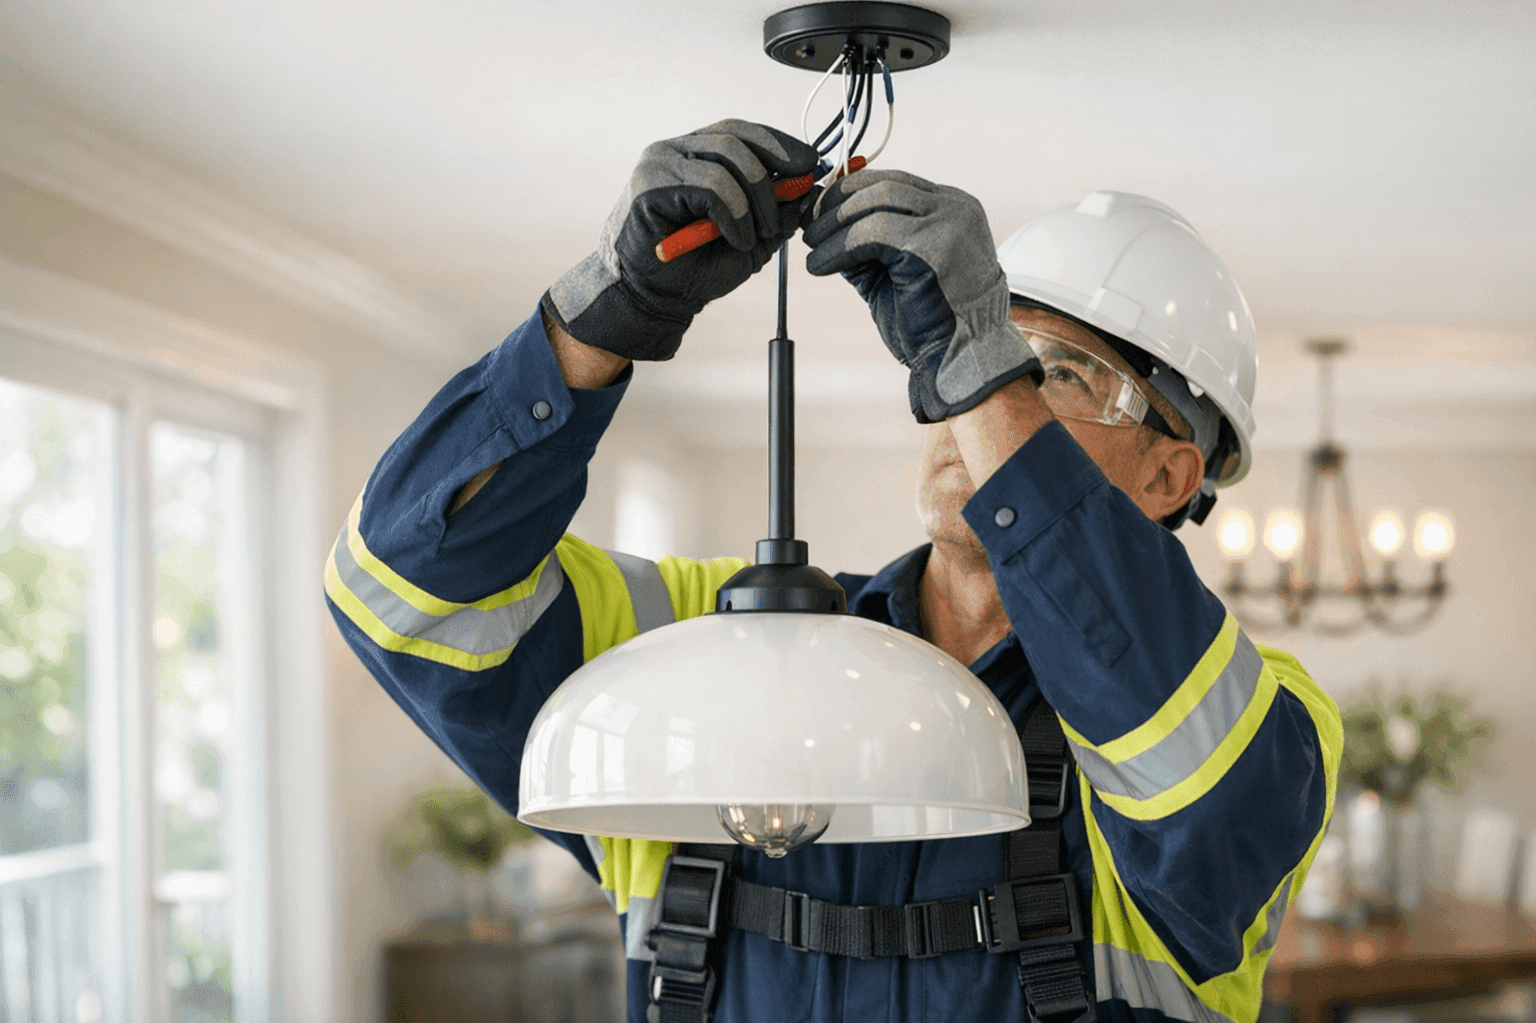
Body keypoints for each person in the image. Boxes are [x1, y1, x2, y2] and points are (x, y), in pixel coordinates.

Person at [326, 120, 1340, 1023]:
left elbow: (1186, 767)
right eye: (980, 356)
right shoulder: (703, 647)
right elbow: (404, 586)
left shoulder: (1257, 725)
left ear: (1170, 475)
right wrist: (597, 319)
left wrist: (984, 365)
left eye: (1056, 375)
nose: (979, 403)